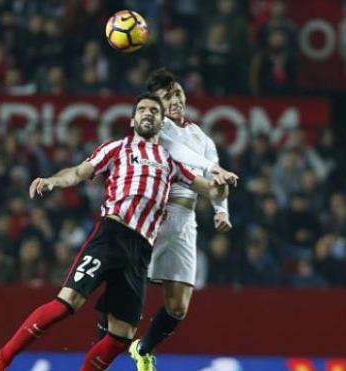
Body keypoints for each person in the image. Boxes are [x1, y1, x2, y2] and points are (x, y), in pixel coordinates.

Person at [0, 93, 232, 371]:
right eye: (142, 109)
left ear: (162, 122)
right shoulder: (117, 148)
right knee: (67, 303)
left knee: (121, 336)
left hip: (141, 251)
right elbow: (78, 172)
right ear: (133, 120)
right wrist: (52, 181)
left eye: (153, 110)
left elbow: (209, 190)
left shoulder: (172, 162)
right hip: (112, 234)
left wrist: (221, 183)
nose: (148, 113)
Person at [123, 68, 235, 371]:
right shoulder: (161, 129)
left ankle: (143, 349)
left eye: (178, 93)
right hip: (152, 214)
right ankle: (102, 346)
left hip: (185, 220)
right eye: (166, 95)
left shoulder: (202, 137)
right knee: (127, 292)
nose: (175, 100)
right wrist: (212, 167)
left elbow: (216, 180)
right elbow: (180, 154)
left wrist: (221, 209)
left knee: (178, 307)